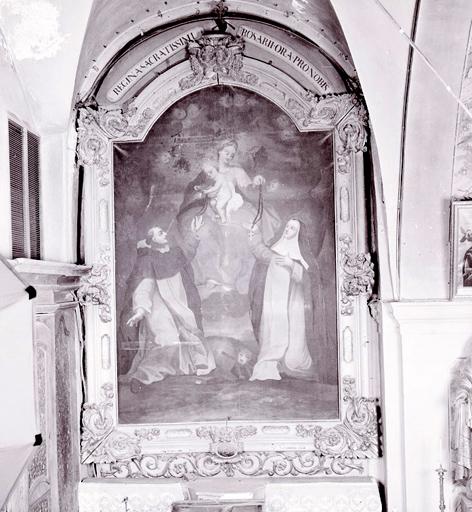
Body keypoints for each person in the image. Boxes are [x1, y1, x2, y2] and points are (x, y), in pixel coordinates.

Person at [123, 218, 215, 392]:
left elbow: (188, 250)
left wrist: (194, 234)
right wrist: (140, 310)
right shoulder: (147, 260)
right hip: (159, 305)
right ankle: (143, 377)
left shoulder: (176, 252)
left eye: (163, 231)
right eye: (159, 233)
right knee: (165, 339)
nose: (164, 233)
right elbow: (144, 287)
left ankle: (198, 362)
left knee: (191, 330)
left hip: (180, 300)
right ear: (150, 241)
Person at [248, 219, 320, 381]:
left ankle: (285, 360)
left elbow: (310, 278)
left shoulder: (299, 253)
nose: (288, 229)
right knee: (272, 330)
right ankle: (273, 360)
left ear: (298, 233)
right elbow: (261, 252)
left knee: (293, 348)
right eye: (287, 226)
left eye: (292, 228)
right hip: (273, 302)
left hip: (292, 304)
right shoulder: (276, 249)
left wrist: (292, 265)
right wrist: (254, 234)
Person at [194, 159, 243, 223]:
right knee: (212, 203)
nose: (209, 174)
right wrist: (200, 187)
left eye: (210, 172)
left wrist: (206, 191)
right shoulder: (213, 178)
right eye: (207, 173)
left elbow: (215, 188)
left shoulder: (220, 177)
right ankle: (218, 214)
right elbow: (207, 185)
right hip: (219, 195)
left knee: (218, 206)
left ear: (216, 169)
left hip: (225, 195)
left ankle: (224, 219)